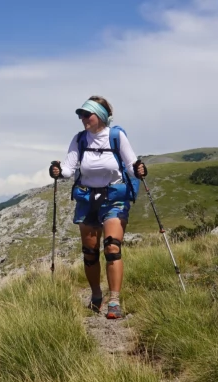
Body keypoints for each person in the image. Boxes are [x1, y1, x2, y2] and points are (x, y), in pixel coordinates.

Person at [49, 95, 147, 319]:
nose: (82, 118)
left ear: (100, 116)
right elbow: (68, 169)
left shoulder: (116, 136)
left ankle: (114, 300)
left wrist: (139, 169)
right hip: (87, 198)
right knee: (90, 253)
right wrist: (57, 170)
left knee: (112, 247)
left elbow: (131, 166)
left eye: (87, 114)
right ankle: (96, 295)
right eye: (81, 115)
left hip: (114, 197)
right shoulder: (80, 139)